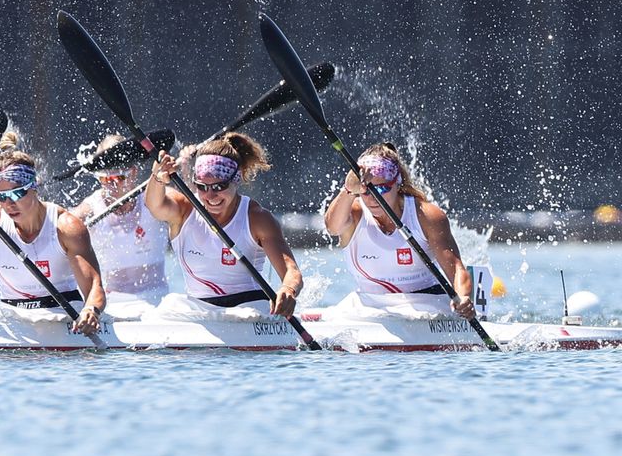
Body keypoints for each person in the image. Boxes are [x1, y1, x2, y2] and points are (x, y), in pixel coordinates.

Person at [0, 132, 105, 333]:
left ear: (33, 187)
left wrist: (91, 311)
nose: (9, 204)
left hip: (62, 313)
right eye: (1, 196)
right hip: (12, 314)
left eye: (17, 193)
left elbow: (95, 287)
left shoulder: (66, 226)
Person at [146, 132, 301, 317]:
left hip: (249, 308)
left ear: (236, 181)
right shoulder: (183, 209)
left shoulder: (257, 218)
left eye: (219, 187)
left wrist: (288, 289)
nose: (210, 196)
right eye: (202, 187)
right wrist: (157, 177)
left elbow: (291, 271)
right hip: (198, 309)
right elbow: (154, 205)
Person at [322, 142, 475, 319]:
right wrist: (347, 189)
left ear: (398, 183)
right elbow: (332, 228)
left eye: (381, 188)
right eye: (365, 190)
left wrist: (463, 298)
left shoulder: (426, 215)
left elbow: (456, 269)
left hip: (427, 304)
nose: (373, 198)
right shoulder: (354, 213)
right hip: (368, 306)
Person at [70, 134, 168, 306]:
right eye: (105, 179)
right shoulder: (90, 208)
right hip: (114, 303)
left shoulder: (153, 199)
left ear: (133, 173)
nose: (111, 185)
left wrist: (187, 172)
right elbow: (58, 230)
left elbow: (191, 213)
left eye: (118, 178)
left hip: (158, 299)